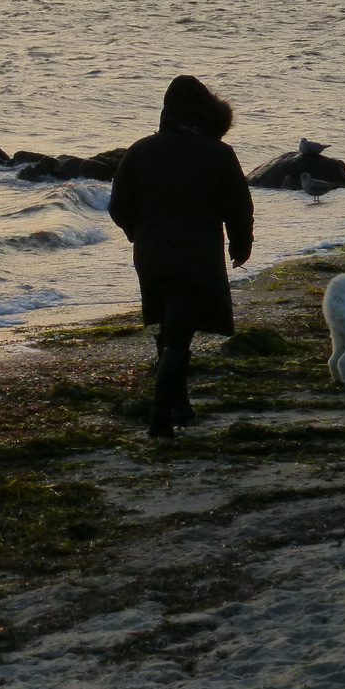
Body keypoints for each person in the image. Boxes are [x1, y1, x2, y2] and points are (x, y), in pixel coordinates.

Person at [108, 75, 254, 438]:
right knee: (178, 335)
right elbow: (239, 206)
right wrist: (241, 243)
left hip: (151, 256)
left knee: (172, 325)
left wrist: (135, 233)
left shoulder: (140, 150)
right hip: (196, 256)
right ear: (203, 112)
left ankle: (181, 406)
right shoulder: (218, 153)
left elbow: (117, 206)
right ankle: (160, 423)